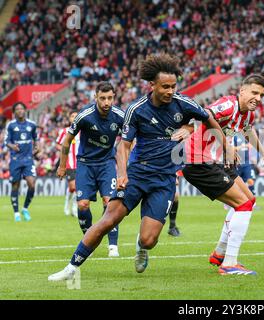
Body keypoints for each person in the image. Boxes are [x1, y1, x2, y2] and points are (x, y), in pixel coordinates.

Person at [48, 53, 226, 281]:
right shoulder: (136, 109)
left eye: (173, 86)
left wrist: (212, 140)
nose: (170, 91)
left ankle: (140, 247)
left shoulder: (183, 103)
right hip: (137, 174)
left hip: (165, 179)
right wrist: (122, 174)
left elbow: (207, 117)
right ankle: (71, 268)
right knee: (108, 220)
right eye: (165, 87)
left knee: (149, 240)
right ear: (152, 85)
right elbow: (123, 147)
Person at [182, 74, 264, 275]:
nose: (258, 98)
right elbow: (205, 114)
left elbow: (248, 131)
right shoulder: (228, 105)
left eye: (261, 95)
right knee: (242, 205)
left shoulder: (248, 115)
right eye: (254, 93)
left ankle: (219, 253)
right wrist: (227, 147)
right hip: (198, 160)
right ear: (242, 91)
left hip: (217, 161)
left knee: (249, 200)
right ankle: (229, 263)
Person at [56, 82, 124, 257]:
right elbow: (67, 140)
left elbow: (129, 140)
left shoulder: (119, 116)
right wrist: (62, 166)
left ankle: (113, 246)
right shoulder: (85, 115)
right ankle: (89, 240)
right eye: (102, 98)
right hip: (85, 164)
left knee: (109, 202)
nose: (106, 102)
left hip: (107, 163)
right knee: (83, 205)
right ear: (96, 97)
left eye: (110, 98)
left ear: (114, 97)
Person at [5, 102, 39, 222]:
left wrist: (37, 147)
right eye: (17, 109)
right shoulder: (10, 125)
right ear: (14, 112)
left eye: (22, 108)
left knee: (32, 184)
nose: (20, 111)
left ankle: (25, 208)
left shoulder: (32, 124)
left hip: (28, 159)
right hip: (15, 160)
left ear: (25, 110)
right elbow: (6, 141)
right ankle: (16, 213)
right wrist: (12, 146)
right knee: (15, 186)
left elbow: (36, 138)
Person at [56, 111, 79, 217]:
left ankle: (74, 207)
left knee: (76, 188)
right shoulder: (65, 131)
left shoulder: (83, 132)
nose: (74, 118)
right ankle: (67, 205)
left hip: (80, 163)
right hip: (69, 162)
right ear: (69, 119)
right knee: (73, 186)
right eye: (72, 116)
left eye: (76, 116)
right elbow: (57, 145)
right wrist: (65, 151)